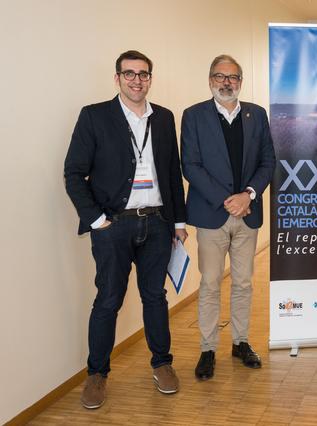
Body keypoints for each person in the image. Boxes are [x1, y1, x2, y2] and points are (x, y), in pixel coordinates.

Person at [64, 50, 187, 409]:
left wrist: (178, 222)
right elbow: (74, 174)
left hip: (158, 224)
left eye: (143, 74)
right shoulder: (95, 116)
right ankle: (97, 374)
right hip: (113, 226)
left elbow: (172, 172)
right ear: (117, 78)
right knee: (108, 300)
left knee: (155, 298)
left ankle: (162, 364)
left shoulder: (163, 117)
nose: (137, 80)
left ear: (150, 79)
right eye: (129, 73)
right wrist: (96, 221)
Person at [181, 54, 275, 380]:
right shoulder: (193, 116)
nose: (226, 82)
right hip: (212, 215)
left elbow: (268, 161)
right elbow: (191, 165)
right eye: (220, 76)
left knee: (244, 282)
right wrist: (228, 201)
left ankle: (240, 342)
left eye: (233, 77)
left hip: (248, 213)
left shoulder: (256, 115)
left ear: (240, 82)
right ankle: (208, 348)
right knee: (209, 283)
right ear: (210, 80)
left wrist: (248, 195)